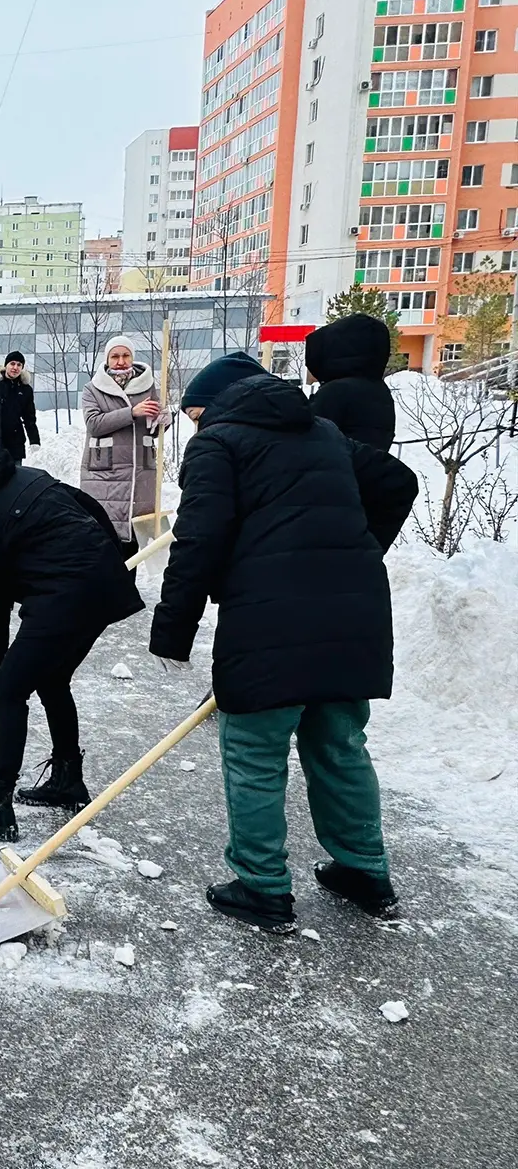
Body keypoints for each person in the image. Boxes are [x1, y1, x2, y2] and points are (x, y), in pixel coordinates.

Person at [149, 352, 419, 932]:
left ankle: (263, 887)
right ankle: (364, 870)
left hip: (268, 616)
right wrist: (358, 549)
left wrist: (174, 628)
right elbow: (399, 481)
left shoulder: (219, 444)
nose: (195, 424)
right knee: (339, 743)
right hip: (351, 611)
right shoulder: (324, 432)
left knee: (254, 752)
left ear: (218, 402)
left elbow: (199, 539)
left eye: (196, 412)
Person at [0, 434, 143, 840]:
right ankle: (68, 778)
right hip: (100, 583)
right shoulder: (16, 475)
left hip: (67, 593)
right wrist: (114, 562)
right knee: (51, 678)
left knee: (7, 690)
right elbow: (86, 506)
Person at [80, 334, 170, 562]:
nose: (121, 361)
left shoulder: (148, 387)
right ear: (107, 360)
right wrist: (131, 412)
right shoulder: (93, 389)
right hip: (104, 473)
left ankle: (126, 592)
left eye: (125, 355)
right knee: (105, 536)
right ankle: (107, 593)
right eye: (115, 356)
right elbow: (94, 424)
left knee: (132, 536)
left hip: (140, 474)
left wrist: (162, 421)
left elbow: (152, 431)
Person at [305, 313, 397, 451]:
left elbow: (305, 438)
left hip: (334, 469)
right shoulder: (376, 389)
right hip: (365, 470)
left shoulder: (336, 392)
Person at [2, 351, 41, 460]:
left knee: (16, 475)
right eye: (12, 363)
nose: (15, 367)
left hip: (15, 441)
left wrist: (34, 440)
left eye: (19, 365)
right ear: (6, 365)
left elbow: (29, 417)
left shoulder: (25, 390)